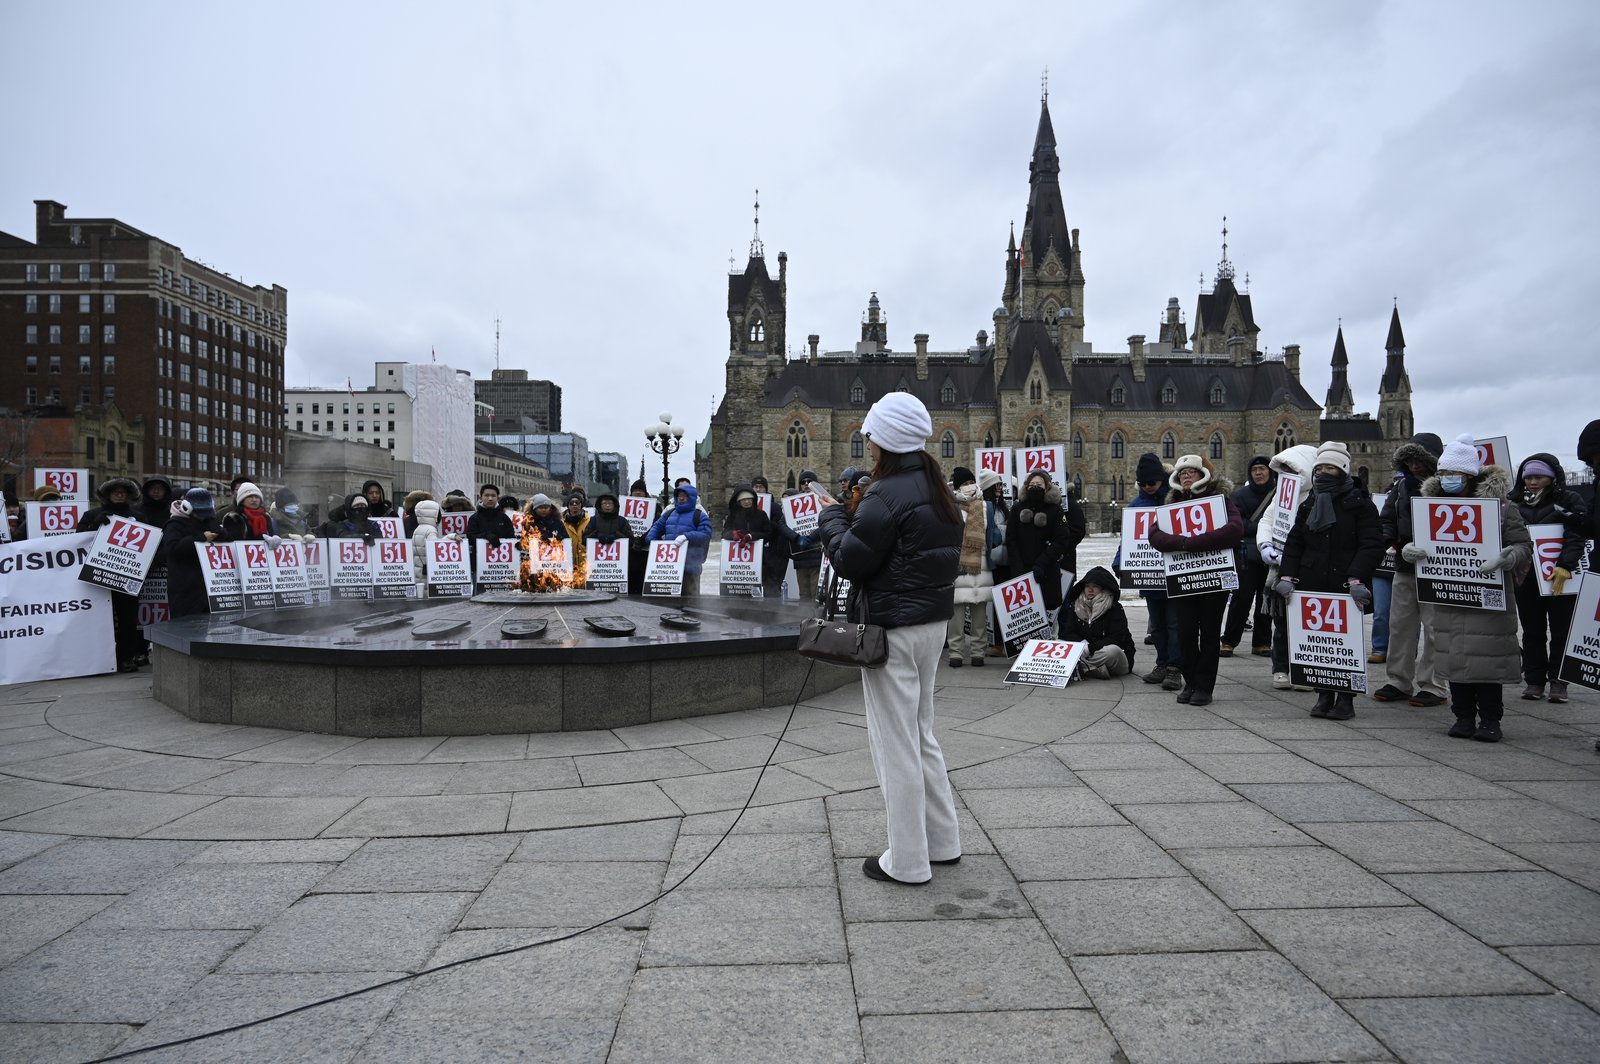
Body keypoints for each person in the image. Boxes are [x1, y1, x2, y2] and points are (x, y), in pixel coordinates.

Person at [815, 393, 962, 886]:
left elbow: (853, 560)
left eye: (872, 434)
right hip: (930, 625)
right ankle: (942, 842)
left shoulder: (886, 494)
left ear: (887, 441)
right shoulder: (936, 487)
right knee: (922, 735)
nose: (868, 442)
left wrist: (832, 518)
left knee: (895, 744)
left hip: (894, 630)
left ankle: (908, 861)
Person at [1405, 434, 1531, 742]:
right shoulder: (1432, 506)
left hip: (1488, 594)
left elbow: (1523, 545)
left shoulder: (1501, 508)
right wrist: (1411, 550)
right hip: (1449, 593)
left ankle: (1490, 719)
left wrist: (1508, 556)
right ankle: (1462, 716)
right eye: (1444, 473)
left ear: (1470, 475)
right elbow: (1423, 543)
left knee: (1486, 659)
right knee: (1454, 659)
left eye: (1454, 474)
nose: (1448, 479)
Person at [1275, 443, 1383, 719]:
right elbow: (1295, 541)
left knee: (1343, 644)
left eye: (1330, 468)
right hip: (1312, 580)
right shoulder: (1310, 502)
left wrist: (1358, 577)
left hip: (1345, 582)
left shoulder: (1360, 504)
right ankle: (1323, 694)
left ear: (1342, 470)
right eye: (1319, 468)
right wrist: (1287, 575)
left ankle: (1345, 699)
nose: (1323, 473)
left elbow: (1371, 543)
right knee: (1317, 643)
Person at [1148, 454, 1244, 706]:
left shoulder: (1221, 499)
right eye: (1181, 473)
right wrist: (1182, 543)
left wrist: (1193, 543)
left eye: (1191, 472)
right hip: (1185, 578)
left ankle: (1205, 686)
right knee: (1186, 632)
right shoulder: (1174, 502)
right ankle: (1190, 681)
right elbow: (1155, 536)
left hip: (1213, 578)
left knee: (1210, 632)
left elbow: (1234, 530)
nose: (1186, 476)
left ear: (1203, 474)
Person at [1372, 433, 1448, 707]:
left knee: (1434, 627)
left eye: (1420, 460)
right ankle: (1398, 680)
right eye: (1411, 460)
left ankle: (1433, 684)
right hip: (1405, 563)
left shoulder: (1448, 487)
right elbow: (1387, 518)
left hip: (1439, 567)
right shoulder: (1401, 487)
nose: (1415, 465)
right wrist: (1388, 541)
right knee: (1400, 624)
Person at [1509, 452, 1588, 704]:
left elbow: (1577, 534)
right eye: (1529, 477)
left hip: (1560, 577)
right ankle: (1534, 681)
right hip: (1527, 577)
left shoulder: (1570, 499)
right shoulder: (1515, 503)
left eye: (1539, 477)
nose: (1532, 482)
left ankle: (1559, 681)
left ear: (1552, 478)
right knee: (1532, 631)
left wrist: (1566, 564)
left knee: (1561, 630)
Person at [1255, 443, 1321, 692]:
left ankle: (1304, 668)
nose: (1285, 476)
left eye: (1290, 470)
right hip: (1281, 567)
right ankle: (1281, 668)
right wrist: (1264, 545)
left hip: (1308, 568)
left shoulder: (1318, 496)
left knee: (1306, 622)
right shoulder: (1281, 496)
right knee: (1281, 622)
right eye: (1281, 472)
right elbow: (1268, 519)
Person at [1124, 454, 1184, 691]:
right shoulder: (1136, 506)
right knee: (1157, 626)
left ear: (1162, 479)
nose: (1148, 487)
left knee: (1174, 624)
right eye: (1144, 483)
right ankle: (1161, 663)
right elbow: (1128, 540)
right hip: (1149, 577)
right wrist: (1121, 562)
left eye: (1152, 482)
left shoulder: (1174, 500)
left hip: (1173, 574)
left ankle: (1175, 668)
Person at [76, 477, 144, 671]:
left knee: (128, 620)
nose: (119, 494)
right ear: (106, 495)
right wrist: (93, 526)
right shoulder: (92, 515)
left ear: (129, 495)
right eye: (115, 491)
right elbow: (77, 544)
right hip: (97, 576)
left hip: (128, 577)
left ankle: (126, 658)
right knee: (98, 619)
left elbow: (151, 544)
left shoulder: (138, 517)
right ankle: (99, 659)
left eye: (123, 491)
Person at [1005, 470, 1078, 620]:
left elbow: (1062, 540)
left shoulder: (1055, 510)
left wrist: (1042, 562)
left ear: (1047, 487)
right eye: (1031, 484)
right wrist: (1018, 568)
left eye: (1039, 484)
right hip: (1022, 571)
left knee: (1046, 614)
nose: (1035, 487)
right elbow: (1011, 539)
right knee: (1023, 616)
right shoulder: (1017, 508)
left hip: (1046, 571)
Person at [1222, 455, 1275, 657]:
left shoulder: (1279, 494)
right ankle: (1228, 641)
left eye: (1262, 469)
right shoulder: (1240, 495)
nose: (1259, 473)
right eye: (1255, 470)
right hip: (1247, 557)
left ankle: (1261, 642)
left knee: (1265, 601)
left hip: (1270, 556)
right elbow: (1237, 523)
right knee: (1240, 600)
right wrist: (1262, 527)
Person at [947, 467, 995, 667]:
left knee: (979, 616)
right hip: (959, 567)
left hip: (981, 566)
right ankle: (956, 653)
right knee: (956, 617)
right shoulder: (951, 506)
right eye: (964, 484)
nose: (968, 487)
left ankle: (978, 653)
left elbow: (993, 534)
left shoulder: (986, 506)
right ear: (957, 487)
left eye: (970, 483)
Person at [1059, 566, 1136, 679]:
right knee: (1058, 643)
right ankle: (1091, 669)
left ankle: (1081, 668)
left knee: (1112, 651)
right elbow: (1069, 632)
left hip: (1114, 659)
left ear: (1103, 589)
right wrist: (1082, 644)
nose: (1090, 590)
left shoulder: (1114, 608)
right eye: (1087, 586)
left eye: (1095, 586)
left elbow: (1117, 637)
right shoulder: (1075, 606)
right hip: (1087, 654)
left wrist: (1090, 648)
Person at [160, 488, 224, 619]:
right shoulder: (174, 524)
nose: (203, 516)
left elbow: (228, 539)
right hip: (184, 591)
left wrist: (215, 526)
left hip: (206, 590)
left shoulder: (207, 521)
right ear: (187, 508)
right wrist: (200, 538)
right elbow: (172, 549)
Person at [646, 484, 711, 595]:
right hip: (669, 568)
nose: (681, 498)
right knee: (668, 603)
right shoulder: (669, 514)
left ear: (691, 498)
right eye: (679, 496)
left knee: (691, 602)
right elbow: (656, 527)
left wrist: (687, 536)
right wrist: (651, 540)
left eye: (684, 496)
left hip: (690, 568)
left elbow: (706, 535)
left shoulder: (700, 516)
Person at [722, 484, 777, 596]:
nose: (747, 502)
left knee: (765, 589)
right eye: (743, 500)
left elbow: (769, 533)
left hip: (761, 559)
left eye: (749, 499)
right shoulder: (732, 516)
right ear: (738, 502)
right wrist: (733, 535)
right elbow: (724, 533)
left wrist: (752, 536)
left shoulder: (761, 514)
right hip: (738, 563)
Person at [980, 469, 1010, 658]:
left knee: (1003, 603)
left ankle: (1004, 640)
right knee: (989, 603)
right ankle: (995, 642)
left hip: (1005, 562)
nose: (1000, 488)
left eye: (1000, 484)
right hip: (989, 561)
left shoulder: (1005, 508)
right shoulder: (983, 507)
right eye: (996, 485)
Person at [751, 475, 793, 596]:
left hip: (771, 553)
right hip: (752, 553)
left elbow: (780, 528)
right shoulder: (745, 507)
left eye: (761, 487)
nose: (758, 490)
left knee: (771, 588)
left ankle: (772, 612)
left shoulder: (774, 507)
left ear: (766, 489)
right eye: (756, 487)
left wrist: (768, 523)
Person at [789, 470, 824, 601]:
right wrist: (796, 537)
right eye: (803, 482)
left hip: (817, 553)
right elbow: (783, 524)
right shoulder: (790, 503)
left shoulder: (823, 500)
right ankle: (803, 619)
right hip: (801, 555)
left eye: (809, 482)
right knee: (803, 594)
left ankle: (816, 620)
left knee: (816, 593)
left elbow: (827, 523)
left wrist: (812, 537)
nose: (806, 484)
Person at [465, 483, 515, 553]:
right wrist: (486, 536)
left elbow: (511, 538)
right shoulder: (474, 518)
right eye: (487, 495)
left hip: (502, 558)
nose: (490, 499)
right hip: (479, 558)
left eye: (493, 496)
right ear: (481, 498)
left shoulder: (504, 518)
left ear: (498, 498)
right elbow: (470, 537)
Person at [625, 479, 654, 596]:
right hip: (630, 549)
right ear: (631, 493)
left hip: (646, 549)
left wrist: (642, 539)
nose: (637, 493)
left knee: (644, 573)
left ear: (645, 493)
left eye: (640, 491)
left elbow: (656, 526)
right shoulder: (623, 507)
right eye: (635, 491)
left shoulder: (654, 507)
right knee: (631, 574)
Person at [561, 492, 590, 586]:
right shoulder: (561, 522)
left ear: (581, 505)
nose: (574, 505)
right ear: (568, 506)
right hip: (567, 561)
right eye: (571, 503)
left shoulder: (590, 520)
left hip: (585, 560)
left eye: (577, 502)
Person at [411, 498, 443, 581]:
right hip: (427, 576)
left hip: (418, 572)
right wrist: (451, 537)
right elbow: (435, 550)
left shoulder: (418, 528)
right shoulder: (431, 531)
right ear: (434, 514)